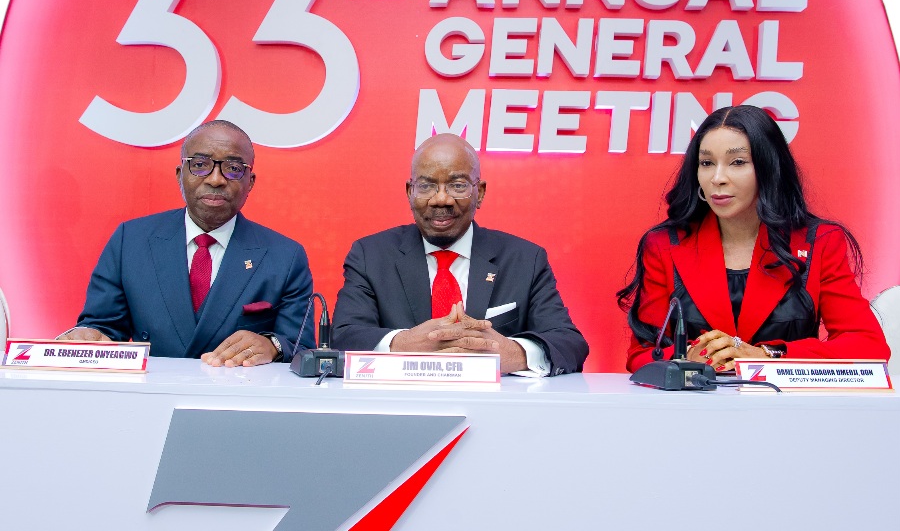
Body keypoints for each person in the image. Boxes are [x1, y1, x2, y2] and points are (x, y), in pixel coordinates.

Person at [617, 105, 890, 373]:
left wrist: (766, 355)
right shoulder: (664, 244)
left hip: (788, 409)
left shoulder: (819, 241)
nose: (717, 178)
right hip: (695, 410)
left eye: (737, 162)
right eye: (706, 163)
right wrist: (689, 358)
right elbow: (642, 355)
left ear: (769, 168)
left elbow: (868, 346)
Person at [58, 120, 314, 366]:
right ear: (180, 175)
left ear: (251, 182)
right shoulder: (131, 241)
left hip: (236, 398)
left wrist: (271, 345)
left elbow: (299, 345)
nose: (215, 179)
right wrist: (89, 336)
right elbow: (104, 327)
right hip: (150, 396)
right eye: (200, 165)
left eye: (233, 169)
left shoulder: (285, 257)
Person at [332, 133, 588, 375]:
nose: (441, 199)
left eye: (457, 185)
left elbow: (569, 344)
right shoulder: (370, 256)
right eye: (426, 186)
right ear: (410, 193)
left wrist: (513, 353)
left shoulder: (525, 259)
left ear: (481, 193)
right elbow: (343, 337)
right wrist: (402, 345)